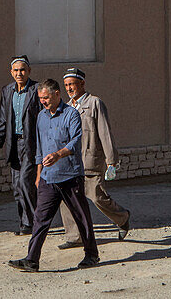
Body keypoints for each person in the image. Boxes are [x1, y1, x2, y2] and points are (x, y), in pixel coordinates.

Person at [8, 79, 99, 272]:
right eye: (41, 98)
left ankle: (91, 254)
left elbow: (76, 142)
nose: (43, 101)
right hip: (48, 178)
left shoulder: (71, 114)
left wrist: (58, 154)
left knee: (81, 216)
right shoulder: (41, 116)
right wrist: (39, 174)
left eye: (46, 97)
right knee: (40, 219)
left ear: (57, 94)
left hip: (70, 175)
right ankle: (32, 260)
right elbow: (40, 148)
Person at [57, 67, 131, 249]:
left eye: (72, 84)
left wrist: (111, 160)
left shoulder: (95, 103)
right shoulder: (66, 107)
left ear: (82, 83)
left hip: (91, 160)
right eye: (66, 85)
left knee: (97, 197)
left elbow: (105, 132)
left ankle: (122, 217)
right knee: (67, 199)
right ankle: (75, 236)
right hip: (70, 162)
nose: (69, 88)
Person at [0, 56, 39, 235]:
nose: (19, 73)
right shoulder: (7, 91)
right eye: (16, 70)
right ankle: (24, 221)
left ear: (29, 71)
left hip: (31, 144)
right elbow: (3, 119)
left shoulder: (35, 90)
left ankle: (33, 223)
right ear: (11, 72)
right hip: (14, 144)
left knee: (27, 182)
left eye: (23, 70)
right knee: (17, 185)